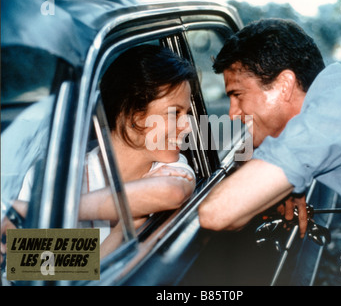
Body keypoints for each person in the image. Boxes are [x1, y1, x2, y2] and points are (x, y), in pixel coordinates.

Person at [198, 18, 341, 236]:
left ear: (284, 85)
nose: (232, 113)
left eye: (238, 95)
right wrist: (287, 183)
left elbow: (215, 214)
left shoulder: (327, 119)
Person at [2, 44, 197, 258]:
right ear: (132, 114)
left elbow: (173, 192)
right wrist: (125, 226)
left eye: (186, 112)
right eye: (175, 113)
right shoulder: (54, 176)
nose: (188, 126)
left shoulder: (171, 166)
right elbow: (29, 262)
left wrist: (44, 210)